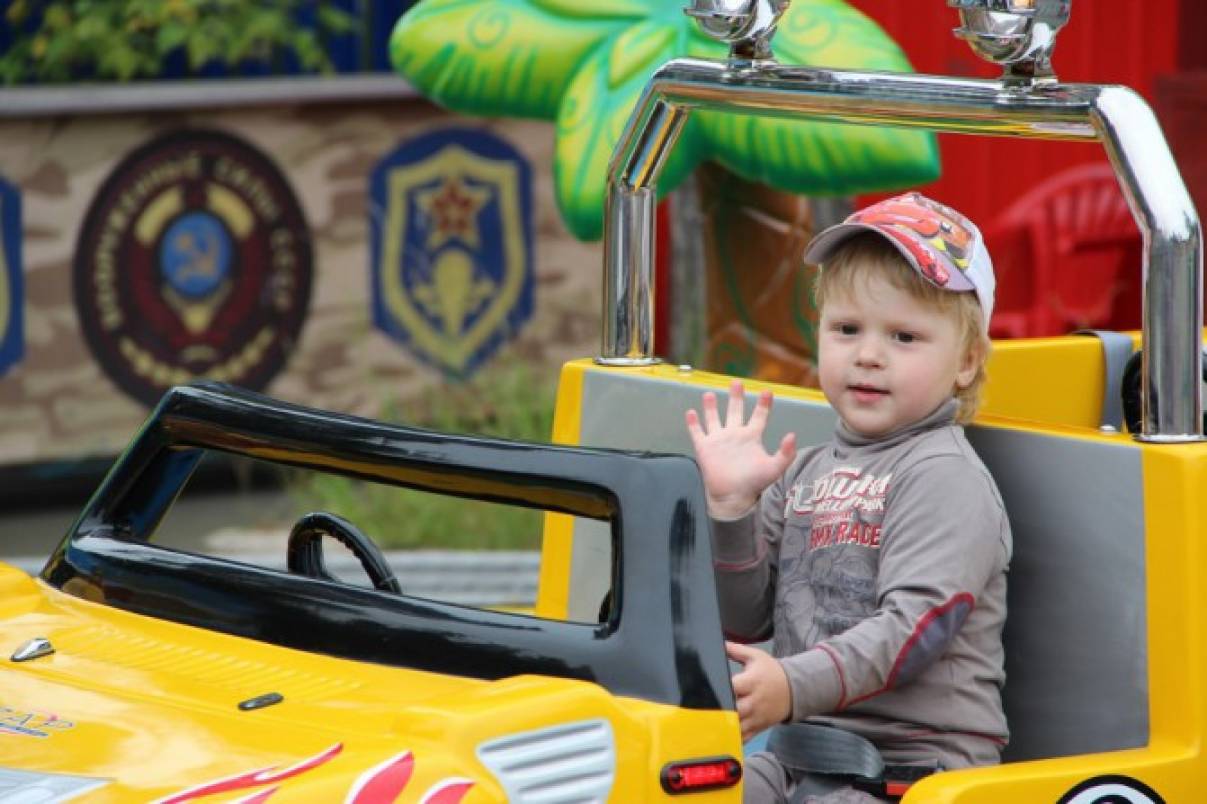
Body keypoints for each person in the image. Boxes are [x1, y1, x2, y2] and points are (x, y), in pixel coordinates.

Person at [685, 192, 1011, 803]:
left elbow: (914, 630)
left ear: (966, 362)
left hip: (912, 770)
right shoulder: (805, 471)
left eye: (904, 336)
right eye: (846, 329)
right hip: (801, 757)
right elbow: (744, 619)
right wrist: (731, 510)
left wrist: (791, 685)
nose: (868, 354)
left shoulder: (944, 477)